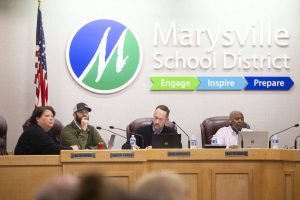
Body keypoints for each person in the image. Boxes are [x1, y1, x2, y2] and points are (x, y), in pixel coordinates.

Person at [14, 106, 79, 155]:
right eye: (47, 116)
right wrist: (71, 149)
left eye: (52, 116)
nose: (51, 118)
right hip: (23, 167)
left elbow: (57, 146)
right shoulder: (33, 131)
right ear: (37, 118)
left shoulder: (49, 132)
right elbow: (52, 149)